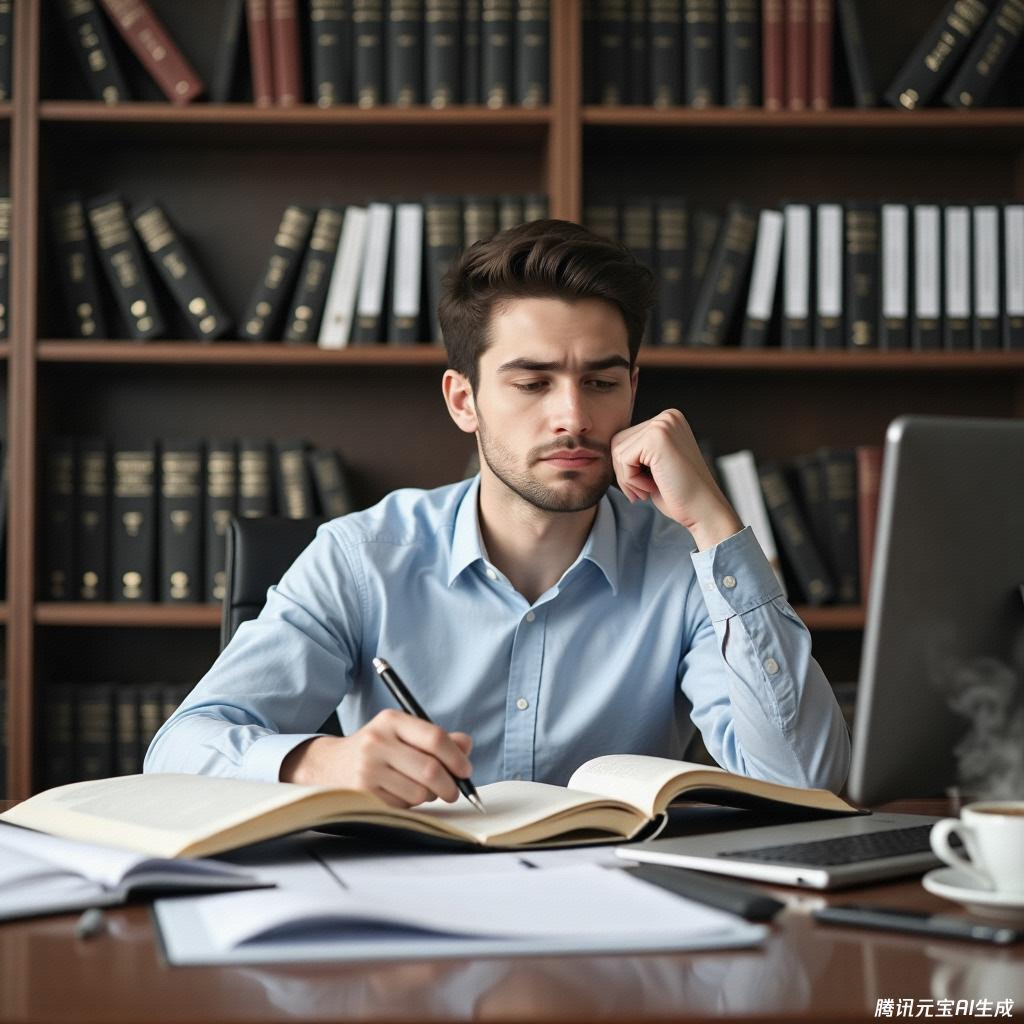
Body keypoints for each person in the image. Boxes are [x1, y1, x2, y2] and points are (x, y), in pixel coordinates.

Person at [145, 219, 851, 806]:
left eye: (601, 382)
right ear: (463, 401)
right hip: (408, 931)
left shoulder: (684, 566)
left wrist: (716, 526)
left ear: (633, 390)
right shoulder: (361, 557)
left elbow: (805, 782)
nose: (573, 418)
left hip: (618, 934)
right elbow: (178, 750)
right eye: (532, 382)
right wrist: (316, 763)